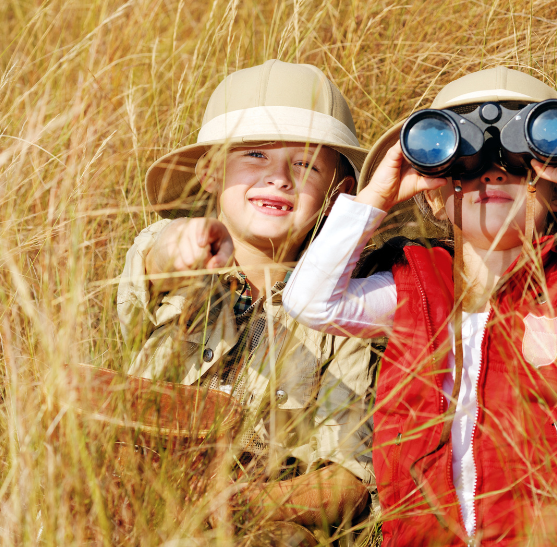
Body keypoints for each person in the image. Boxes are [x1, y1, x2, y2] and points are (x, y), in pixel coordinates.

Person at [282, 67, 557, 545]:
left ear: (556, 192)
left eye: (520, 161)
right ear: (431, 198)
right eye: (464, 160)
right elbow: (310, 302)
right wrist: (377, 196)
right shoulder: (412, 288)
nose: (493, 171)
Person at [117, 60, 378, 544]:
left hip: (254, 513)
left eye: (305, 164)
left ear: (336, 194)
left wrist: (232, 503)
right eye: (255, 155)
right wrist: (189, 242)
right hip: (135, 486)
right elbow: (157, 263)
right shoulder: (178, 253)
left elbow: (349, 478)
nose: (279, 178)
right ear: (212, 173)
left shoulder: (348, 312)